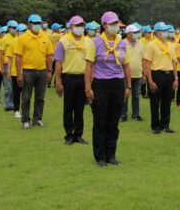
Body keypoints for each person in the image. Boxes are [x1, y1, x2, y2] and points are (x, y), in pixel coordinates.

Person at [85, 11, 131, 166]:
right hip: (101, 83)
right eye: (112, 23)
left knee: (113, 121)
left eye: (116, 23)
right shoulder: (96, 42)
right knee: (100, 121)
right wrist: (88, 88)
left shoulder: (122, 43)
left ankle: (111, 155)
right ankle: (100, 156)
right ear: (104, 25)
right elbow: (89, 65)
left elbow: (126, 65)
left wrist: (128, 87)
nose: (115, 26)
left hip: (118, 83)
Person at [53, 16, 91, 145]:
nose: (80, 27)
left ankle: (78, 135)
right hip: (68, 77)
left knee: (80, 108)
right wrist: (58, 81)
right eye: (77, 25)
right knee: (68, 107)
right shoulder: (63, 41)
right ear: (71, 27)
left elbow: (91, 63)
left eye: (82, 25)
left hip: (83, 77)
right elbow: (58, 62)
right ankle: (69, 135)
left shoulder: (88, 42)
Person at [14, 14, 54, 129]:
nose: (37, 25)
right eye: (34, 23)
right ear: (29, 24)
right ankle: (26, 120)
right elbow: (18, 57)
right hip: (28, 71)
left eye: (38, 23)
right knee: (26, 97)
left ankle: (37, 119)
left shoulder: (45, 37)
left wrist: (49, 71)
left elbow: (49, 55)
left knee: (40, 97)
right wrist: (19, 74)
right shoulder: (22, 38)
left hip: (42, 71)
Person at [143, 22, 178, 134]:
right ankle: (155, 126)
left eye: (166, 30)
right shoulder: (151, 45)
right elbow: (147, 63)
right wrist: (150, 80)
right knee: (155, 101)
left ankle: (165, 124)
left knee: (167, 101)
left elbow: (174, 62)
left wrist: (176, 78)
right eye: (163, 31)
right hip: (156, 74)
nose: (165, 33)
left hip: (169, 75)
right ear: (157, 32)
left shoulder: (170, 45)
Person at [120, 23, 145, 121]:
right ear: (128, 33)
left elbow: (143, 60)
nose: (137, 34)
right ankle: (123, 114)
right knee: (124, 95)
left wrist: (144, 74)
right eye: (134, 32)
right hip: (124, 75)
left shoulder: (141, 44)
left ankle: (136, 114)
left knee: (136, 96)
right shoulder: (122, 43)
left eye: (137, 32)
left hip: (138, 74)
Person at [6, 24, 26, 118]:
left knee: (26, 93)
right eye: (21, 31)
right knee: (17, 92)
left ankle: (25, 110)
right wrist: (9, 72)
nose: (23, 32)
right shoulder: (13, 42)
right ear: (17, 32)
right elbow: (9, 58)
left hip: (27, 71)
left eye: (25, 30)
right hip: (15, 71)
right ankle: (16, 110)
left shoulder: (28, 42)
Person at [0, 20, 18, 111]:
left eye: (16, 28)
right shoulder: (4, 39)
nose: (15, 29)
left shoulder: (18, 37)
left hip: (16, 64)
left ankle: (14, 103)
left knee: (15, 86)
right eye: (13, 28)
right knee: (8, 87)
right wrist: (2, 67)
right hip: (7, 64)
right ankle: (7, 105)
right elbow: (1, 54)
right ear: (8, 28)